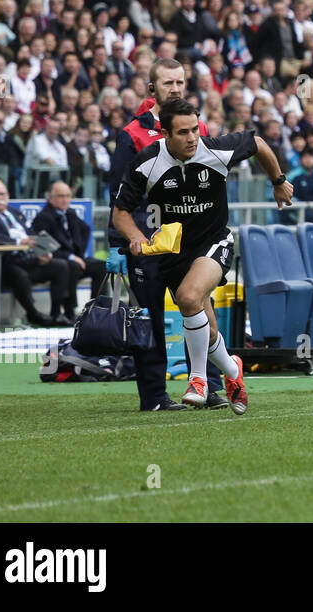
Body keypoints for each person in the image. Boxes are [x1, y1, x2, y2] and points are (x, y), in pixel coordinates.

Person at [112, 98, 294, 413]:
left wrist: (278, 182)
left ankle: (198, 380)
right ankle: (234, 371)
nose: (192, 138)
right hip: (173, 252)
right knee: (206, 329)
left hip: (214, 241)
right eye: (183, 132)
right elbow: (120, 212)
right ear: (164, 133)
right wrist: (136, 236)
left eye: (195, 129)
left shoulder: (216, 149)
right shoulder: (147, 162)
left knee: (188, 295)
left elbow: (259, 143)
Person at [106, 58, 225, 412]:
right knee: (150, 319)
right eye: (168, 83)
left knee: (198, 308)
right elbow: (118, 195)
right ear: (152, 88)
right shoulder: (132, 134)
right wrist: (120, 245)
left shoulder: (194, 127)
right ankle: (154, 396)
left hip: (188, 242)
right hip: (147, 243)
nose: (175, 89)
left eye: (180, 82)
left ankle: (208, 386)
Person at [0, 176, 70, 327]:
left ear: (8, 196)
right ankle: (32, 314)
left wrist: (43, 251)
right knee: (18, 274)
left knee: (61, 265)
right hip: (5, 263)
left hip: (29, 259)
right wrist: (18, 242)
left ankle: (56, 313)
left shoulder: (15, 213)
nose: (0, 198)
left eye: (3, 194)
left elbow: (32, 234)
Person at [31, 180, 107, 317]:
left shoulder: (70, 214)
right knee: (71, 265)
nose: (65, 200)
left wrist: (78, 253)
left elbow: (85, 229)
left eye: (68, 196)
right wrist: (71, 256)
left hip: (75, 259)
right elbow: (45, 248)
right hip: (57, 262)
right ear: (50, 198)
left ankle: (97, 310)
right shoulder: (42, 218)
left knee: (101, 266)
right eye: (61, 196)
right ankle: (69, 311)